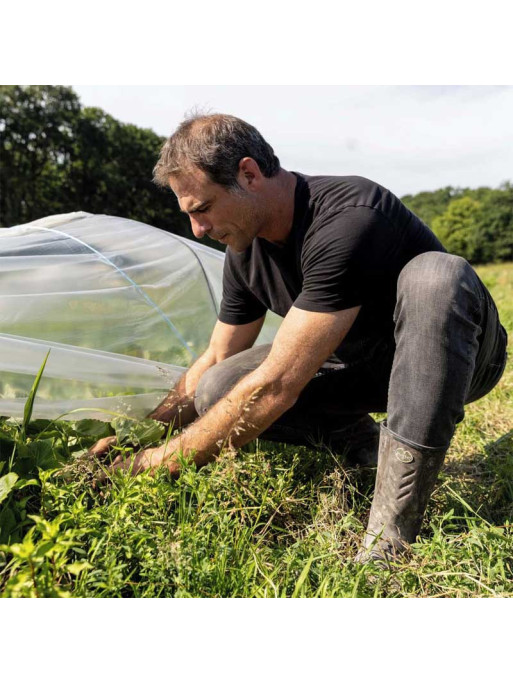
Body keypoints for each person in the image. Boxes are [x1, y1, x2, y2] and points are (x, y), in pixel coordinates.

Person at [90, 113, 508, 564]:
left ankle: (391, 536)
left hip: (460, 356)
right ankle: (362, 445)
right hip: (364, 366)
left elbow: (277, 384)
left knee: (435, 276)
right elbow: (217, 355)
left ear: (249, 174)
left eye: (202, 208)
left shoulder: (349, 216)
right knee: (217, 388)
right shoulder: (244, 252)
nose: (198, 230)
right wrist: (144, 437)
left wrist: (162, 461)